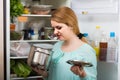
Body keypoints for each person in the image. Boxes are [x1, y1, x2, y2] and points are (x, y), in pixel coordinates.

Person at [32, 6, 97, 80]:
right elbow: (53, 75)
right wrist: (44, 74)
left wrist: (83, 75)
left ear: (71, 25)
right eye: (54, 28)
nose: (55, 32)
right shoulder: (56, 46)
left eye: (59, 27)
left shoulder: (87, 51)